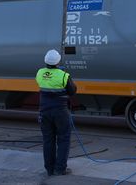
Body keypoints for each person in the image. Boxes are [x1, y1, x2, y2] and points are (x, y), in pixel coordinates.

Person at [35, 48, 77, 176]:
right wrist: (61, 73)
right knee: (63, 139)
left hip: (44, 111)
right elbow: (72, 91)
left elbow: (44, 83)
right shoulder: (64, 75)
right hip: (60, 111)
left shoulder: (39, 73)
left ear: (45, 61)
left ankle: (49, 168)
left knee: (48, 140)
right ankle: (60, 169)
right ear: (58, 62)